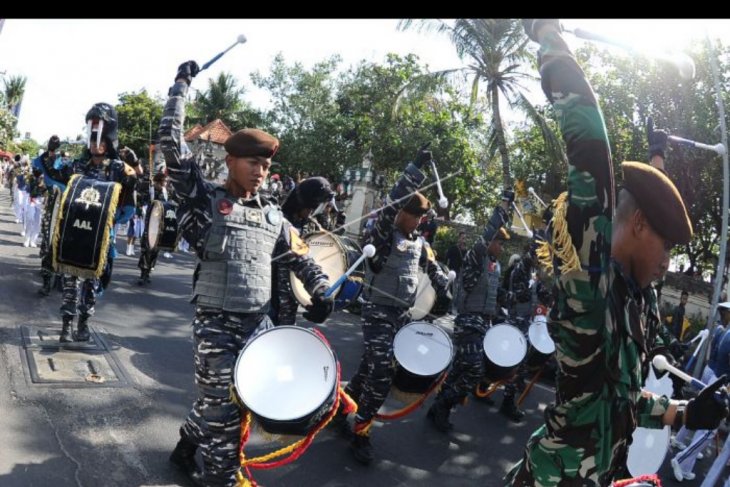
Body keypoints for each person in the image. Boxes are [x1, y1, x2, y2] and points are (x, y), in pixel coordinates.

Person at [507, 20, 729, 486]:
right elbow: (591, 145)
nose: (669, 260)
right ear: (641, 226)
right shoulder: (593, 284)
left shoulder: (630, 296)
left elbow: (623, 400)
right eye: (665, 245)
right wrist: (548, 34)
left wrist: (684, 413)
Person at [161, 60, 334, 487]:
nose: (260, 171)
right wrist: (180, 87)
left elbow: (303, 259)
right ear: (230, 160)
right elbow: (169, 141)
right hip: (216, 327)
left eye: (265, 165)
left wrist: (322, 291)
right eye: (252, 162)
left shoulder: (274, 217)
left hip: (260, 326)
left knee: (234, 404)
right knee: (224, 424)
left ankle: (186, 442)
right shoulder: (204, 200)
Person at [335, 147, 452, 465]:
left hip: (400, 315)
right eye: (412, 213)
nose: (416, 220)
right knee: (382, 371)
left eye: (420, 216)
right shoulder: (384, 234)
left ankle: (340, 409)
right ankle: (361, 431)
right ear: (401, 212)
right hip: (377, 313)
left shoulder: (420, 242)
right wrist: (415, 169)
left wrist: (445, 292)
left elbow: (434, 271)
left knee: (367, 369)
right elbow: (392, 202)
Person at [39, 103, 138, 342]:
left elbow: (132, 199)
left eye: (101, 137)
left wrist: (135, 169)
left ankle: (83, 322)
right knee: (69, 280)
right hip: (73, 233)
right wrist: (50, 152)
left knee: (92, 282)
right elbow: (51, 173)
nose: (96, 143)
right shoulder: (77, 166)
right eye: (92, 137)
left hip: (100, 239)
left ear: (109, 139)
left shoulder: (118, 170)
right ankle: (65, 323)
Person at [426, 196, 513, 432]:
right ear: (490, 242)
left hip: (483, 324)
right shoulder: (476, 257)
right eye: (499, 243)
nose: (501, 248)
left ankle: (437, 410)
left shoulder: (494, 266)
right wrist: (503, 208)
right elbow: (487, 232)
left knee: (458, 369)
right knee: (475, 369)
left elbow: (496, 293)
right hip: (468, 323)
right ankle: (444, 404)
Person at [270, 176, 336, 326]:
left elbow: (306, 260)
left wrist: (320, 289)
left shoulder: (311, 226)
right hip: (267, 299)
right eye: (314, 206)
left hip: (290, 301)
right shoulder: (276, 220)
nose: (314, 212)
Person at [137, 171, 173, 285]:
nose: (165, 184)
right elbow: (141, 198)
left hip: (159, 225)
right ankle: (143, 273)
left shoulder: (166, 193)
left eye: (166, 182)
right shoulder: (150, 189)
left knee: (155, 250)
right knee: (146, 249)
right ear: (158, 181)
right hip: (149, 224)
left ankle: (148, 272)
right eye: (164, 181)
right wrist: (149, 188)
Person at [445, 231, 467, 312]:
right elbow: (446, 258)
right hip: (452, 272)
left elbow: (465, 262)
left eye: (465, 238)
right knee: (451, 289)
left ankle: (455, 307)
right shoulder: (453, 248)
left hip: (460, 272)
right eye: (462, 238)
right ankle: (449, 307)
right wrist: (446, 270)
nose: (464, 240)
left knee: (458, 290)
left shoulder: (465, 250)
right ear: (459, 238)